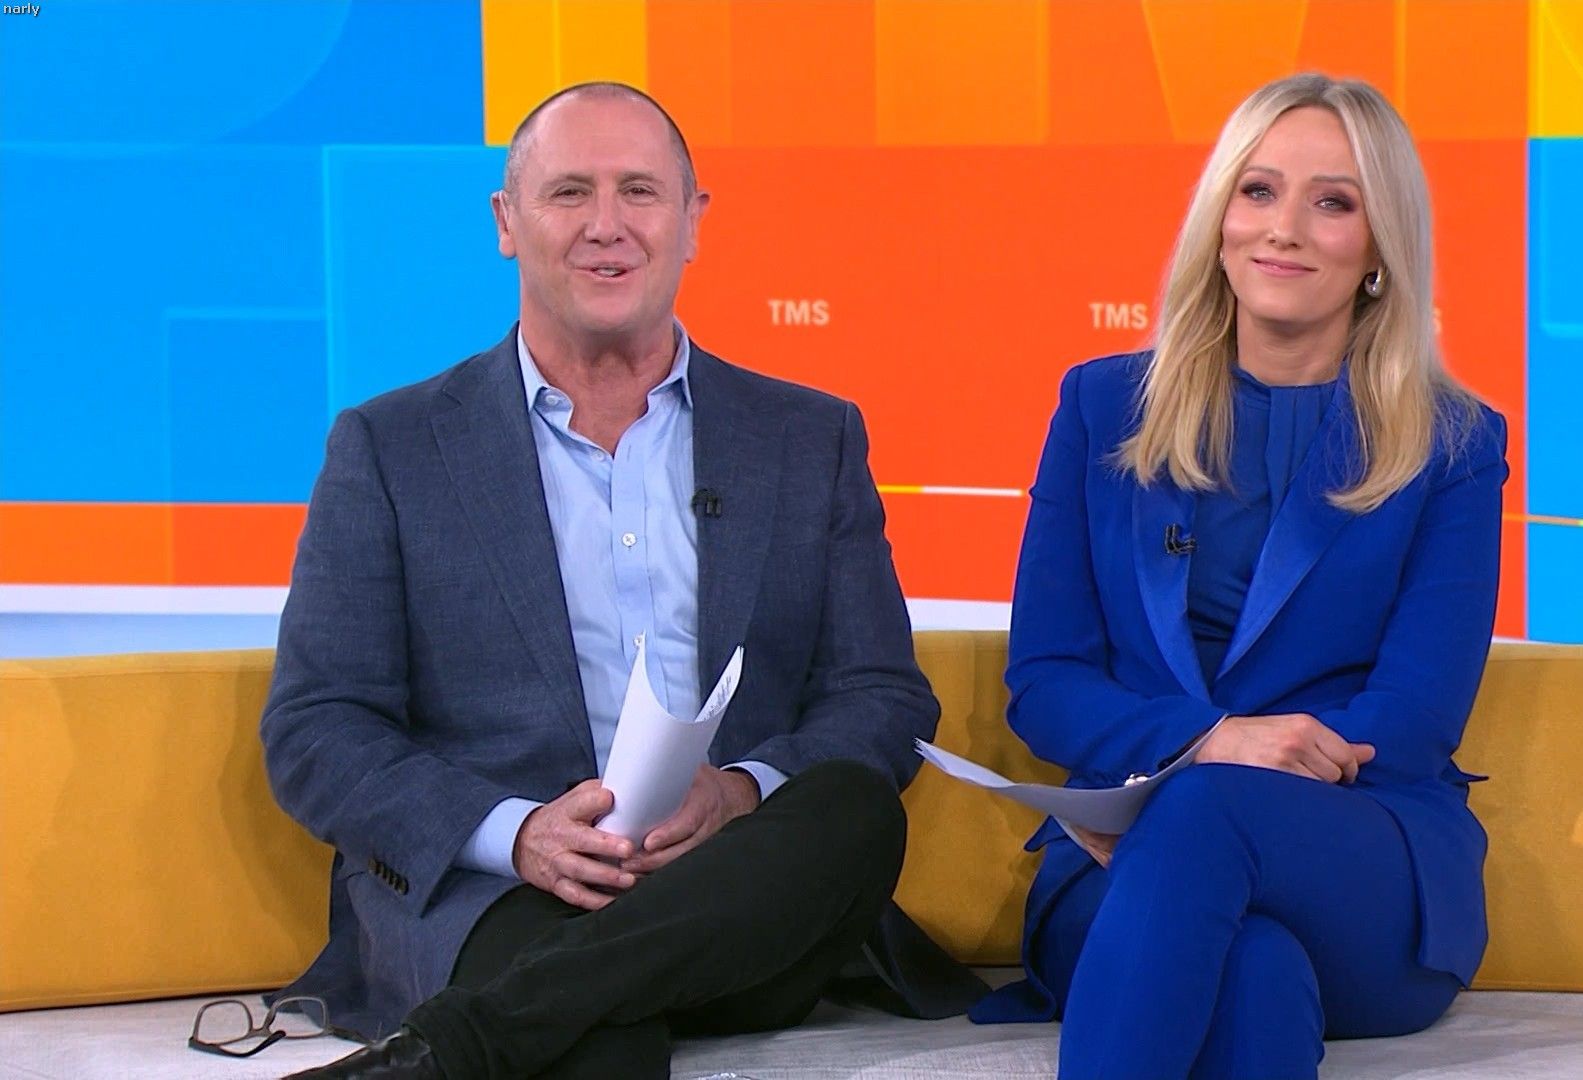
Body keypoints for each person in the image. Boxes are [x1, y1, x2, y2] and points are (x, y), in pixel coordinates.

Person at [263, 81, 983, 1080]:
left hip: (738, 890)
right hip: (504, 897)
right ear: (507, 223)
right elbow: (317, 727)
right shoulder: (392, 447)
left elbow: (883, 697)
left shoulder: (806, 437)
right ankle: (509, 1022)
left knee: (852, 810)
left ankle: (453, 1050)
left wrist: (738, 793)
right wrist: (518, 835)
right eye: (570, 192)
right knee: (599, 1041)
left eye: (640, 191)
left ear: (692, 222)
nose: (607, 224)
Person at [969, 72, 1508, 1078]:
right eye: (1258, 191)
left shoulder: (1453, 445)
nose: (1283, 229)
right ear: (1219, 215)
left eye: (1333, 202)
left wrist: (1207, 781)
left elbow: (1416, 714)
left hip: (1359, 859)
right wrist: (1208, 742)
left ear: (1381, 249)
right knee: (1252, 971)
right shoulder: (1101, 407)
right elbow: (1045, 683)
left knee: (1204, 813)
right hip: (1121, 866)